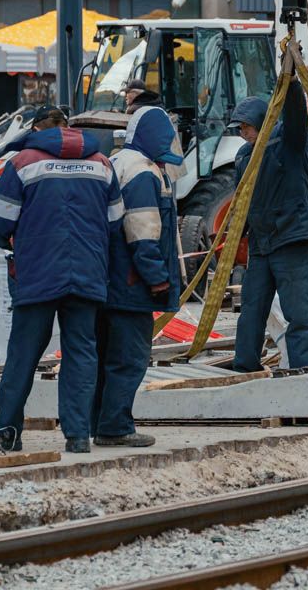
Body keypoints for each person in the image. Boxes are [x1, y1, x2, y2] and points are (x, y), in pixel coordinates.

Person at [0, 122, 124, 454]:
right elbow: (116, 222)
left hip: (37, 274)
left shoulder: (22, 163)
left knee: (23, 354)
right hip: (87, 273)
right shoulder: (102, 164)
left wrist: (21, 246)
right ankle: (77, 436)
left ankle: (9, 432)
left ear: (37, 130)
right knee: (81, 354)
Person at [93, 107, 183, 448]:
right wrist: (157, 278)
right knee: (128, 359)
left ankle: (98, 423)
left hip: (108, 280)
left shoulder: (117, 161)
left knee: (105, 356)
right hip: (132, 284)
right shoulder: (144, 172)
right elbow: (143, 233)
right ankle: (116, 427)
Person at [229, 66, 308, 372]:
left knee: (298, 313)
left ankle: (300, 371)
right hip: (261, 244)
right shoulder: (243, 156)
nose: (243, 133)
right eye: (239, 128)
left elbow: (296, 115)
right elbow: (242, 202)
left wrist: (291, 82)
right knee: (251, 310)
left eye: (246, 126)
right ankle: (245, 367)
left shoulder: (287, 140)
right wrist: (234, 237)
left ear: (260, 121)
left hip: (290, 238)